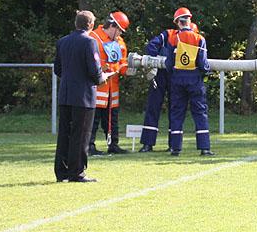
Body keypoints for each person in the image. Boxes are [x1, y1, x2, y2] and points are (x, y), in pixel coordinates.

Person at [53, 10, 105, 183]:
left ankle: (62, 172)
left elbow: (57, 70)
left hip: (66, 94)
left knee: (64, 134)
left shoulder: (62, 42)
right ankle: (77, 172)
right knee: (81, 135)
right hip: (83, 96)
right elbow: (94, 71)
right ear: (90, 24)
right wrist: (101, 78)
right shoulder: (90, 42)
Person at [137, 17, 198, 153]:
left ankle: (169, 144)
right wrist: (154, 61)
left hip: (176, 75)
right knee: (156, 107)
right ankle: (152, 143)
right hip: (165, 74)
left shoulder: (172, 35)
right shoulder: (169, 34)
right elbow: (152, 46)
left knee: (174, 110)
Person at [165, 7, 214, 156]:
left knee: (177, 113)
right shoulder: (199, 39)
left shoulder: (173, 39)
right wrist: (205, 72)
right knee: (200, 112)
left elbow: (168, 63)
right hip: (194, 79)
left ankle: (175, 148)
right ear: (189, 20)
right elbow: (203, 63)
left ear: (177, 23)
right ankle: (204, 148)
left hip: (177, 79)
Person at [88, 11, 130, 155]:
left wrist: (130, 70)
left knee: (112, 119)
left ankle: (113, 144)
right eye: (119, 31)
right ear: (113, 26)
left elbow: (122, 63)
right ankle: (89, 145)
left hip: (113, 87)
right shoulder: (93, 37)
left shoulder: (119, 42)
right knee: (93, 119)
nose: (120, 35)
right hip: (97, 86)